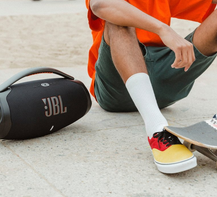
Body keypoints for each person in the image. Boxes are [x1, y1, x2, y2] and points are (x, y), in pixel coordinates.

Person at [85, 0, 217, 174]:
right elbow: (101, 5)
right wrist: (164, 29)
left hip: (166, 78)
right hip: (117, 89)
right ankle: (157, 131)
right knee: (117, 20)